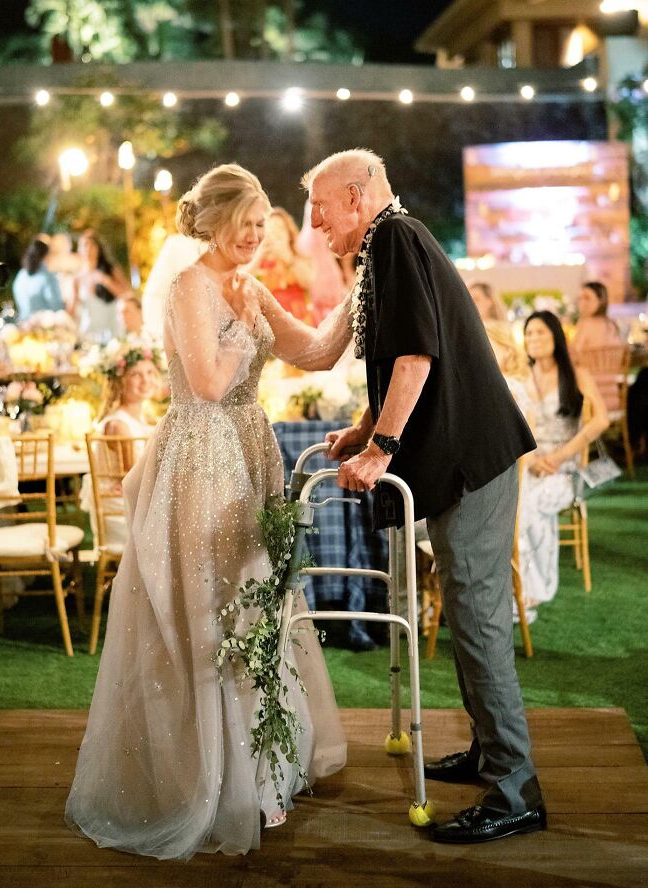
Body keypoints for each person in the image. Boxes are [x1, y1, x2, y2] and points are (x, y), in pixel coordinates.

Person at [66, 163, 352, 859]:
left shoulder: (249, 287)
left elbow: (315, 352)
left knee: (259, 604)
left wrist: (360, 296)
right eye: (247, 223)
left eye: (261, 224)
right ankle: (212, 779)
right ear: (217, 221)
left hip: (250, 451)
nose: (257, 236)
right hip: (202, 459)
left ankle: (261, 770)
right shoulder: (192, 286)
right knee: (213, 607)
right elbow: (207, 381)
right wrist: (242, 321)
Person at [304, 148, 545, 844]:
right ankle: (489, 754)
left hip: (472, 461)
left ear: (356, 197)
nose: (315, 224)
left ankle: (515, 789)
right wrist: (365, 428)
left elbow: (417, 356)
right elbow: (405, 359)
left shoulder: (394, 240)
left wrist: (381, 449)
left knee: (477, 621)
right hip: (467, 458)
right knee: (469, 615)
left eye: (320, 209)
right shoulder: (392, 240)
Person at [517, 311, 608, 611]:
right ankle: (516, 584)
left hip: (565, 470)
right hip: (530, 466)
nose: (534, 338)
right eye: (529, 333)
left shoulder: (576, 374)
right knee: (514, 504)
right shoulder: (522, 378)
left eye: (540, 332)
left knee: (531, 505)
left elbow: (601, 420)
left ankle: (535, 587)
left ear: (555, 336)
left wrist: (559, 457)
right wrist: (532, 459)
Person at [79, 343, 162, 550]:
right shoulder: (119, 425)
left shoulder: (142, 417)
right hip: (122, 511)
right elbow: (133, 478)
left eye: (149, 372)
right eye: (136, 375)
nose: (145, 380)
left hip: (135, 502)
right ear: (120, 382)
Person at [247, 207, 314, 325]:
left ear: (288, 233)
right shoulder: (255, 259)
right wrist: (258, 257)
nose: (275, 233)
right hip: (272, 323)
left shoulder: (297, 256)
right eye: (270, 229)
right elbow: (240, 281)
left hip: (301, 320)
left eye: (279, 229)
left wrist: (287, 257)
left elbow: (309, 281)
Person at [73, 229, 131, 340]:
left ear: (98, 248)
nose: (88, 249)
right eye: (85, 245)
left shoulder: (111, 270)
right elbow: (73, 310)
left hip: (113, 331)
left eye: (92, 245)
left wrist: (106, 281)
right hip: (88, 334)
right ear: (79, 250)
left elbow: (127, 295)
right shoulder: (77, 279)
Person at [12, 238, 64, 320]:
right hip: (43, 325)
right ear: (46, 256)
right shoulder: (48, 278)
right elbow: (56, 307)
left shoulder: (21, 275)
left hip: (23, 322)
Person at [572, 281, 622, 355]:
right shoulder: (611, 324)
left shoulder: (586, 323)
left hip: (589, 362)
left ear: (601, 301)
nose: (582, 302)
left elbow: (575, 353)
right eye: (580, 298)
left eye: (587, 298)